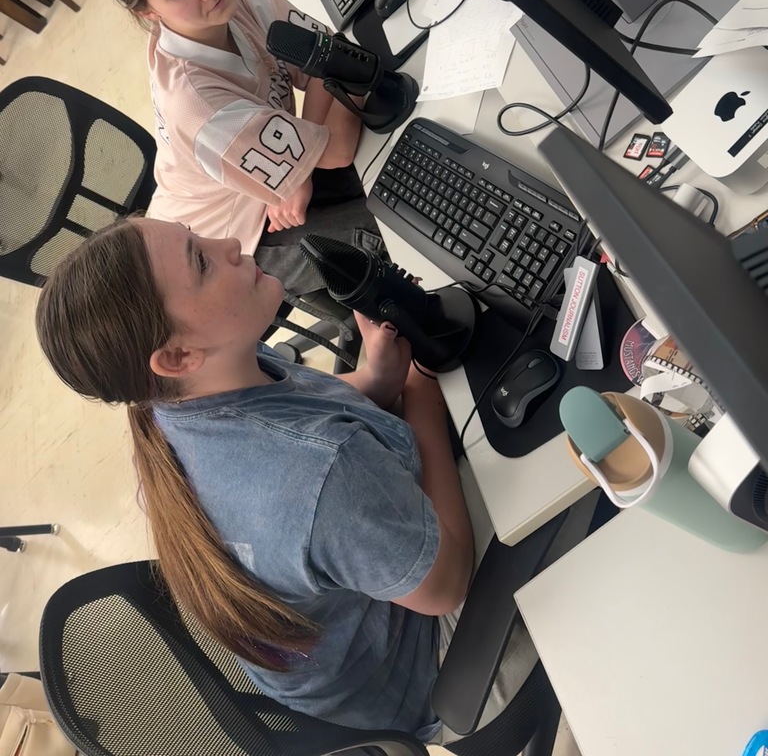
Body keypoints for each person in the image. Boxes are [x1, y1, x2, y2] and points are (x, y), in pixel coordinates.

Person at [35, 216, 476, 740]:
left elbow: (307, 410)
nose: (229, 243)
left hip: (377, 594)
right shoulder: (315, 476)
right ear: (176, 356)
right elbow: (447, 585)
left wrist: (377, 381)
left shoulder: (195, 383)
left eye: (195, 235)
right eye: (201, 261)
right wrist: (420, 382)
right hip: (435, 670)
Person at [90, 0, 382, 295]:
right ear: (148, 12)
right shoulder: (198, 105)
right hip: (235, 241)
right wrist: (312, 149)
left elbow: (325, 55)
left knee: (389, 149)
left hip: (274, 184)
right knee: (393, 224)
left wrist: (300, 166)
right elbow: (339, 142)